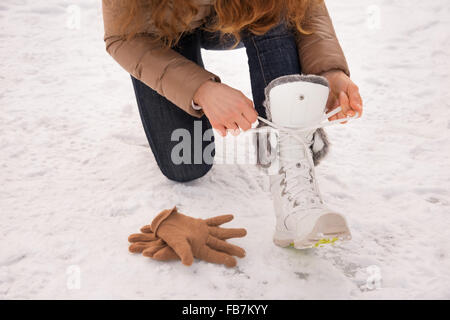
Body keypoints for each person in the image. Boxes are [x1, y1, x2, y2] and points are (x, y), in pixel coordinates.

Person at [102, 0, 363, 249]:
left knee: (274, 11)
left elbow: (302, 6)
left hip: (237, 10)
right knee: (186, 162)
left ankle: (292, 190)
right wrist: (200, 89)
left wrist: (329, 70)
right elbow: (123, 37)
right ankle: (182, 57)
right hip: (162, 27)